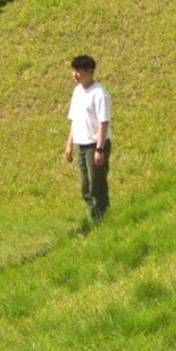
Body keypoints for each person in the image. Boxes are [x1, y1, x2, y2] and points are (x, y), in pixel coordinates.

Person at [64, 54, 112, 228]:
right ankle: (94, 219)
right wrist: (69, 144)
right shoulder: (77, 92)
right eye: (74, 70)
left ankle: (102, 220)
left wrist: (100, 149)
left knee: (96, 186)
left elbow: (103, 123)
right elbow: (74, 120)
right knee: (85, 187)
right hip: (81, 145)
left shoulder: (99, 93)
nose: (75, 74)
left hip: (95, 145)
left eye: (79, 71)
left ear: (90, 71)